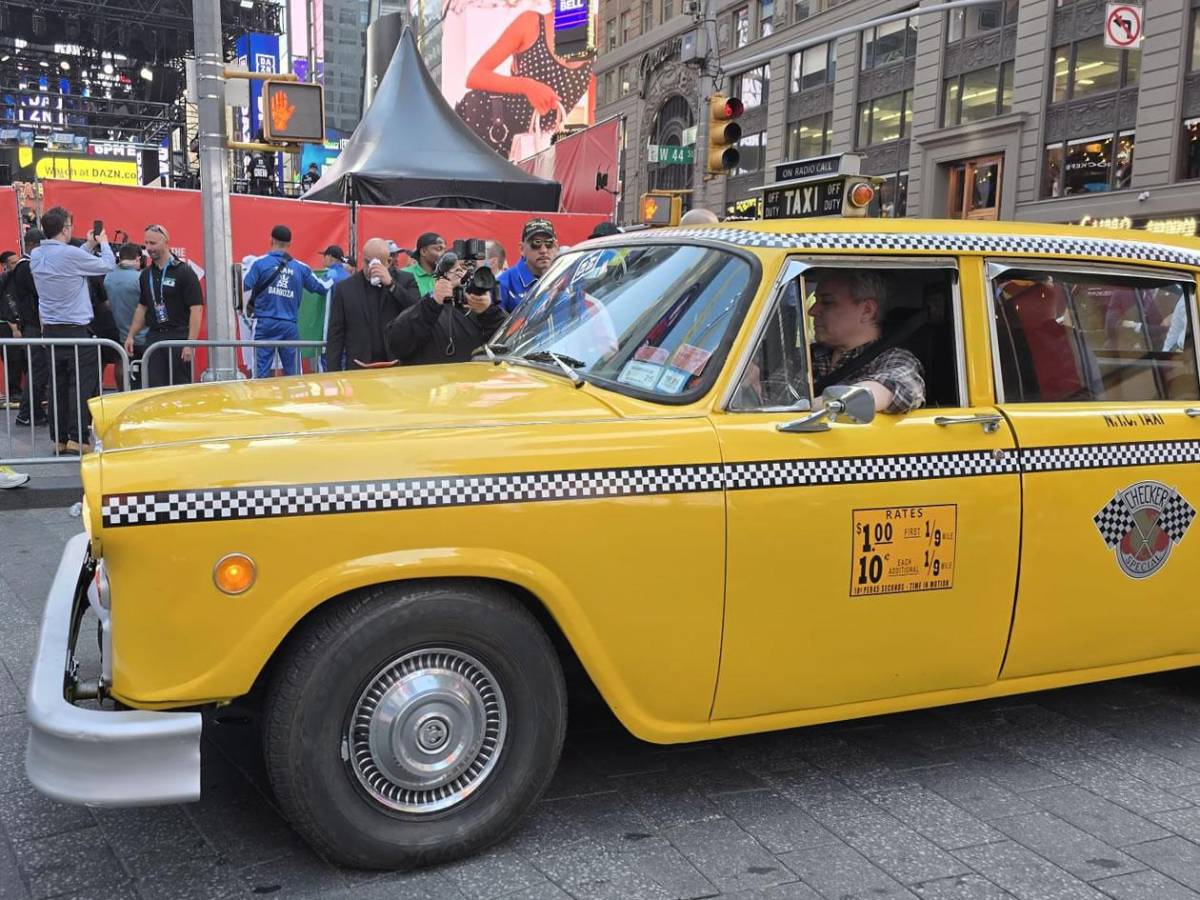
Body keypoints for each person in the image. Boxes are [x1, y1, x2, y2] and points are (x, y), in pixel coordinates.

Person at [30, 207, 115, 454]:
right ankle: (78, 438)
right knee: (81, 385)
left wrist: (87, 245)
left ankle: (59, 438)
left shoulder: (36, 255)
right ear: (65, 228)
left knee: (56, 386)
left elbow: (68, 260)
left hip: (51, 331)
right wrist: (104, 243)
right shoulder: (69, 255)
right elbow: (107, 265)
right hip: (77, 331)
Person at [458, 10, 594, 159]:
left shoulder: (596, 30)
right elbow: (476, 76)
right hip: (491, 128)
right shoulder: (531, 23)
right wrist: (527, 86)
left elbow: (598, 108)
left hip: (537, 146)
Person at [808, 270, 925, 414]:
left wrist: (804, 408)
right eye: (816, 302)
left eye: (827, 302)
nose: (812, 311)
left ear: (867, 310)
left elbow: (897, 387)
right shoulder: (808, 356)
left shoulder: (894, 359)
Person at [242, 225, 329, 378]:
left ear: (271, 240)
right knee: (294, 375)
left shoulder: (259, 263)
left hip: (264, 324)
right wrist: (333, 277)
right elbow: (321, 288)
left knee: (260, 375)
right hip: (289, 326)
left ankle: (262, 401)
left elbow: (242, 285)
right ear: (289, 244)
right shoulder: (300, 268)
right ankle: (294, 401)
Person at [124, 225, 205, 388]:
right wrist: (131, 335)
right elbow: (142, 307)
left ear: (166, 242)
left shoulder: (184, 272)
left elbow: (196, 309)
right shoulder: (146, 274)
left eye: (153, 243)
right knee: (154, 389)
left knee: (180, 390)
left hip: (178, 338)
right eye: (146, 243)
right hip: (154, 338)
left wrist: (190, 343)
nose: (149, 248)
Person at [385, 259, 506, 365]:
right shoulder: (425, 308)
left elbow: (508, 346)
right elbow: (396, 344)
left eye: (467, 270)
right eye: (455, 269)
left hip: (472, 385)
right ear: (440, 277)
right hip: (432, 385)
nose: (460, 273)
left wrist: (488, 311)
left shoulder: (483, 312)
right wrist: (433, 301)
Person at [326, 238, 421, 371]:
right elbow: (336, 334)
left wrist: (392, 285)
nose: (370, 267)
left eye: (376, 263)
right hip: (359, 365)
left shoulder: (405, 280)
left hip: (396, 365)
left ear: (388, 262)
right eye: (367, 262)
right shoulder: (346, 288)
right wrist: (333, 373)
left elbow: (418, 311)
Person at [12, 229, 47, 426]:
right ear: (33, 245)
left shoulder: (24, 266)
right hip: (34, 324)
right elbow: (39, 291)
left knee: (38, 370)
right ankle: (27, 412)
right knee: (38, 370)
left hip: (33, 323)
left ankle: (32, 411)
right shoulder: (26, 267)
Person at [104, 243, 146, 388]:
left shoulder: (108, 277)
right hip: (144, 336)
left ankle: (123, 394)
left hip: (121, 334)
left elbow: (107, 304)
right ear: (138, 258)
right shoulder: (140, 278)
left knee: (122, 365)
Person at [497, 219, 557, 313]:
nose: (543, 250)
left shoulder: (566, 278)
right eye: (536, 243)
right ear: (522, 249)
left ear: (556, 247)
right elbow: (494, 323)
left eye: (549, 243)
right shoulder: (503, 283)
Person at [0, 250, 22, 407]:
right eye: (13, 263)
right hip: (6, 326)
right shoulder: (4, 280)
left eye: (18, 261)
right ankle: (14, 393)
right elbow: (6, 305)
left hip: (19, 323)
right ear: (4, 265)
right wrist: (13, 327)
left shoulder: (19, 279)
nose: (17, 265)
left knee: (21, 359)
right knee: (13, 359)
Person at [402, 233, 444, 297]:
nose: (442, 254)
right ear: (423, 251)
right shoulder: (404, 274)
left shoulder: (446, 275)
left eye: (443, 250)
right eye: (438, 249)